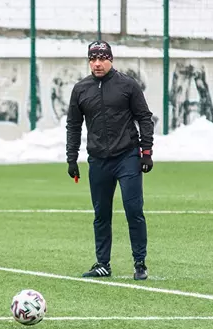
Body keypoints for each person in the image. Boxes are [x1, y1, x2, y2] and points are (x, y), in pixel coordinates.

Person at [66, 40, 154, 281]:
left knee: (133, 210)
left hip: (127, 157)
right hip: (98, 160)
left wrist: (146, 152)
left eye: (102, 59)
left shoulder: (128, 85)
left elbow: (144, 118)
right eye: (92, 59)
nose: (97, 63)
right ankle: (102, 264)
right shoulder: (81, 89)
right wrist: (71, 158)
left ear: (110, 60)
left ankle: (140, 263)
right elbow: (73, 125)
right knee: (101, 214)